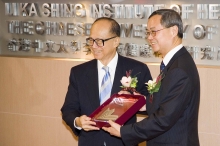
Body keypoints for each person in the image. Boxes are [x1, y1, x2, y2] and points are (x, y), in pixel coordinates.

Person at [103, 9, 200, 146]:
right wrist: (143, 102)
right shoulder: (175, 62)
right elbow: (167, 102)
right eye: (148, 33)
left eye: (154, 32)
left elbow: (164, 119)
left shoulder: (179, 69)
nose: (149, 37)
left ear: (173, 30)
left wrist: (125, 132)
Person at [61, 17, 152, 146]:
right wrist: (78, 122)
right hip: (90, 142)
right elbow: (69, 109)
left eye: (99, 41)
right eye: (91, 40)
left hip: (122, 142)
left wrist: (136, 102)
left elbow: (152, 106)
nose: (93, 46)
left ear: (116, 41)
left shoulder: (137, 69)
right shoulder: (79, 72)